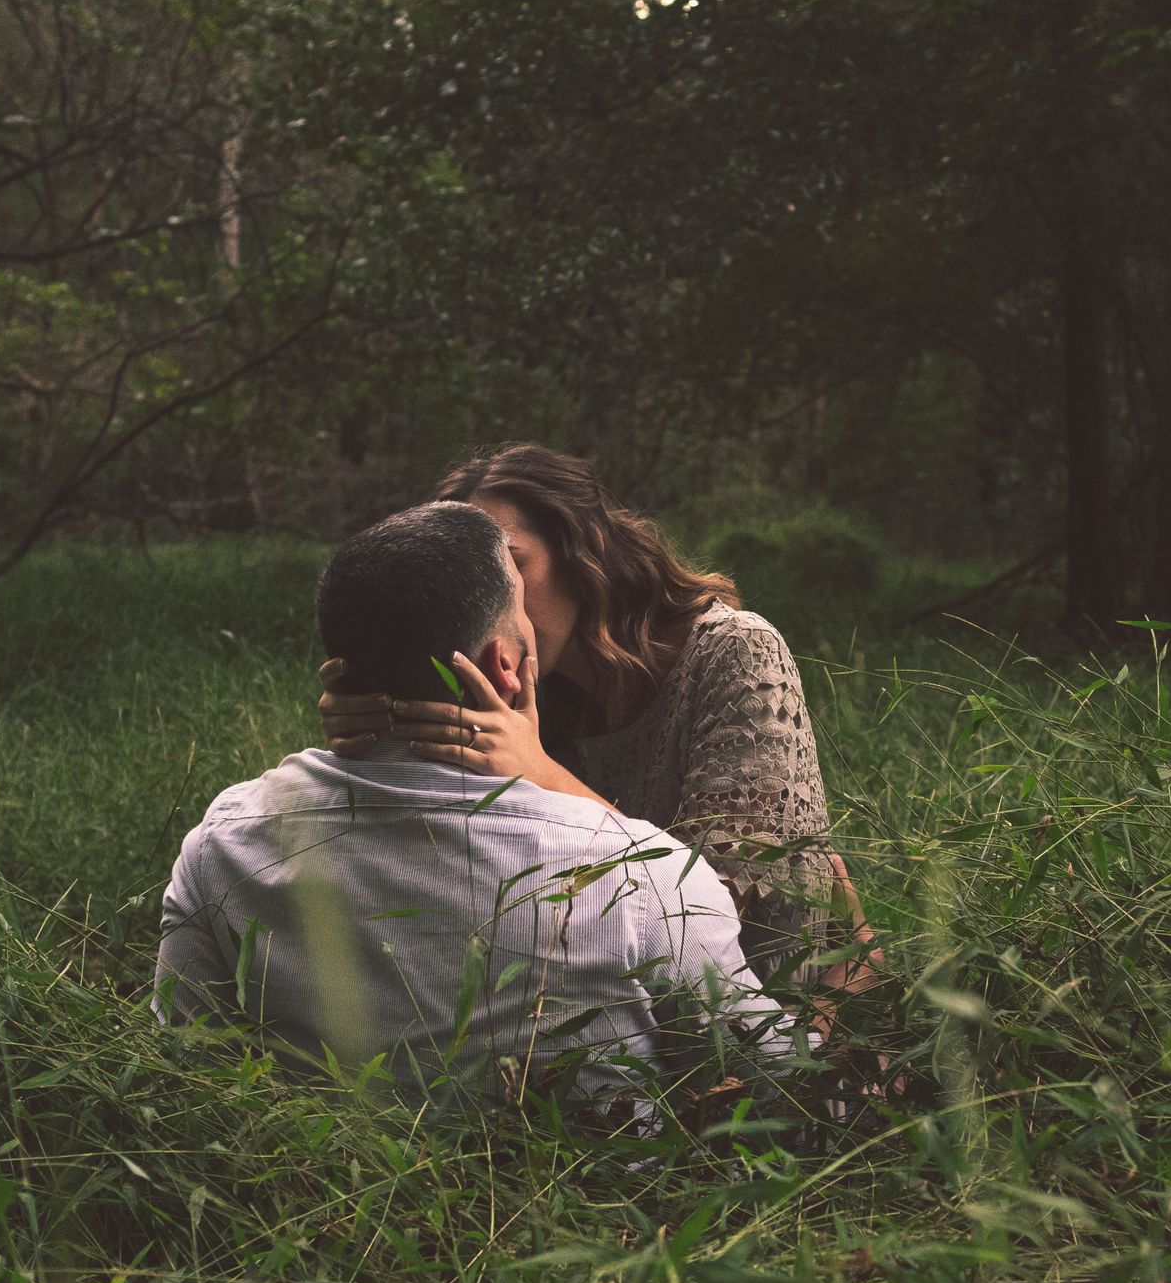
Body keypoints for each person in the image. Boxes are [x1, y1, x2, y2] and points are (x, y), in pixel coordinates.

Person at [157, 501, 809, 1118]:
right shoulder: (646, 881)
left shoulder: (222, 845)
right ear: (504, 667)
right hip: (604, 1225)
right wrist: (846, 1000)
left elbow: (186, 1076)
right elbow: (790, 1098)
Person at [318, 443, 873, 990]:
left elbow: (739, 919)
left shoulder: (734, 654)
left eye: (510, 566)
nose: (489, 601)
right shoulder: (513, 686)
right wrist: (373, 729)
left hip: (782, 1025)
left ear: (584, 549)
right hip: (607, 1014)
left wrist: (539, 773)